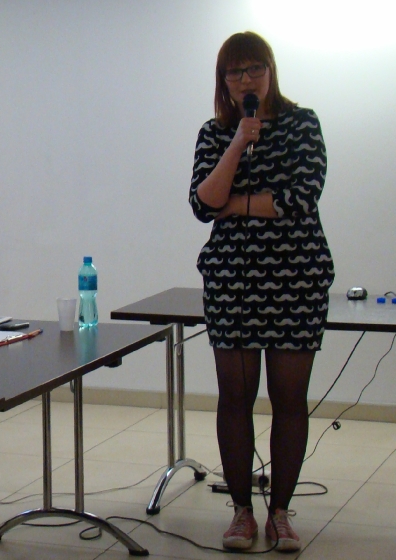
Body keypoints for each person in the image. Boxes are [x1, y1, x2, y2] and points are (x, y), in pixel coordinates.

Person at [189, 32, 334, 552]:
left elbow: (300, 197)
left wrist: (236, 205)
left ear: (271, 71)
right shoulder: (214, 133)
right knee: (235, 398)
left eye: (255, 69)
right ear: (224, 81)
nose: (246, 79)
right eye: (235, 72)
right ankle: (241, 513)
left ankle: (281, 514)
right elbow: (203, 203)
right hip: (233, 281)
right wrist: (237, 144)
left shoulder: (302, 124)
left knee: (289, 399)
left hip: (296, 279)